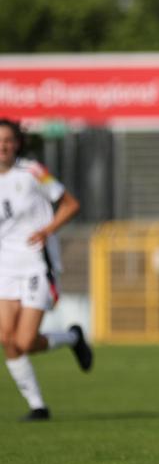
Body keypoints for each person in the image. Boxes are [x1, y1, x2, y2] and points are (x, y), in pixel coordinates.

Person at [0, 118, 93, 421]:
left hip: (37, 266)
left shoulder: (33, 172)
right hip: (5, 269)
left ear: (18, 144)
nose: (3, 146)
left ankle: (72, 339)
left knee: (24, 342)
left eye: (8, 140)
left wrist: (47, 230)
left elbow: (70, 204)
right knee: (8, 340)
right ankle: (38, 406)